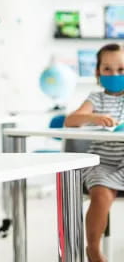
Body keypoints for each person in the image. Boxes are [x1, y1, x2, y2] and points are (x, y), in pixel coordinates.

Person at [65, 43, 124, 262]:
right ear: (98, 71)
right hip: (103, 162)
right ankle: (93, 249)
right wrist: (93, 117)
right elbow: (70, 121)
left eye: (121, 69)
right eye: (107, 68)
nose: (114, 74)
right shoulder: (96, 98)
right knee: (100, 194)